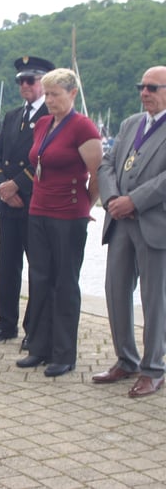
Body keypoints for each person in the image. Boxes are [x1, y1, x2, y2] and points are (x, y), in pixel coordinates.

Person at [16, 68, 102, 377]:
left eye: (56, 94)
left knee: (65, 282)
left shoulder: (83, 127)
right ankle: (39, 346)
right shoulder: (42, 124)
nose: (50, 100)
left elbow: (98, 174)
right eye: (47, 94)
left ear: (72, 94)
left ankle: (64, 352)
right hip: (39, 209)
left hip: (68, 214)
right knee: (40, 280)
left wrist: (83, 205)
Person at [93, 65, 166, 397]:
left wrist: (134, 201)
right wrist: (111, 198)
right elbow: (106, 163)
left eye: (152, 87)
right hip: (119, 221)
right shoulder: (130, 124)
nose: (144, 93)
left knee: (155, 300)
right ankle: (127, 359)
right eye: (142, 86)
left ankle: (154, 369)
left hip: (153, 223)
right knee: (116, 291)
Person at [0, 56, 55, 348]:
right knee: (8, 265)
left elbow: (44, 158)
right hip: (8, 203)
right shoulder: (13, 116)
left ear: (44, 83)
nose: (24, 85)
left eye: (30, 80)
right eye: (20, 80)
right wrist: (1, 186)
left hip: (33, 202)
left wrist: (17, 186)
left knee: (36, 268)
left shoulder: (51, 115)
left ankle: (32, 328)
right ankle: (5, 322)